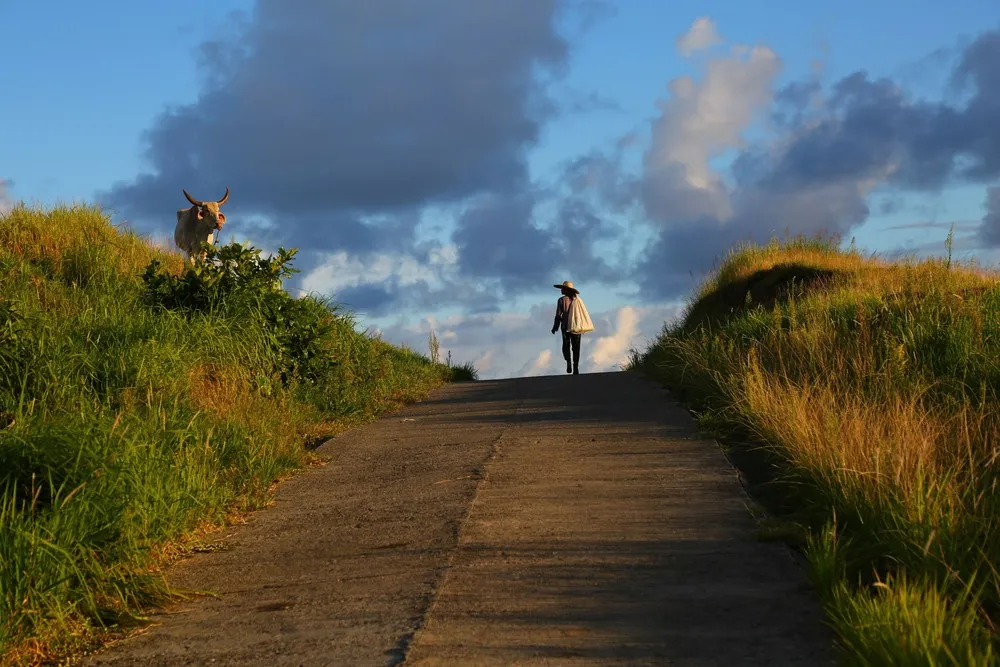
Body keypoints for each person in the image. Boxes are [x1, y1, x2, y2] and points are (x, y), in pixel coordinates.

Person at [551, 280, 582, 375]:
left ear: (566, 290)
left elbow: (558, 315)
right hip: (576, 327)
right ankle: (575, 366)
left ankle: (569, 362)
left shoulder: (561, 300)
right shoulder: (578, 300)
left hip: (565, 326)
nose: (561, 290)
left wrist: (555, 327)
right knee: (576, 347)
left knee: (566, 345)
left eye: (562, 288)